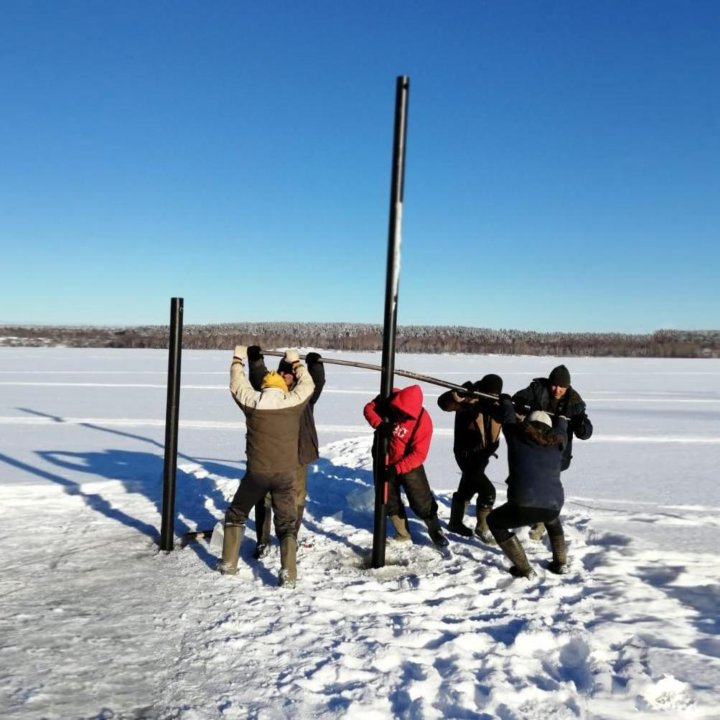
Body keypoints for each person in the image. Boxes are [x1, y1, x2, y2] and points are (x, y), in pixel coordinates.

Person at [218, 346, 314, 588]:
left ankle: (229, 564)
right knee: (287, 525)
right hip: (285, 476)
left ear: (263, 387)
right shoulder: (292, 404)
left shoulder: (254, 403)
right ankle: (288, 574)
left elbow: (237, 385)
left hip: (256, 476)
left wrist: (238, 359)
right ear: (282, 389)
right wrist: (296, 363)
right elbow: (308, 386)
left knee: (236, 515)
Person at [246, 345, 326, 558]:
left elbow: (317, 382)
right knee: (264, 498)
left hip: (298, 456)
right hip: (270, 455)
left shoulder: (305, 394)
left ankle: (290, 539)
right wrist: (255, 362)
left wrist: (315, 365)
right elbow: (257, 378)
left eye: (288, 372)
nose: (284, 375)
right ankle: (262, 540)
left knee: (296, 498)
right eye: (281, 372)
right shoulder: (269, 393)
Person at [487, 397, 569, 578]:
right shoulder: (559, 442)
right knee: (553, 521)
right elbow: (562, 428)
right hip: (554, 503)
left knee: (494, 521)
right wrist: (562, 417)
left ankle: (524, 569)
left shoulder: (517, 436)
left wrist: (507, 402)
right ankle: (560, 563)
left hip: (523, 502)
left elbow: (508, 420)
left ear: (528, 422)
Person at [511, 364, 593, 541]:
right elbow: (517, 399)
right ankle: (522, 513)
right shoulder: (537, 389)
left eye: (562, 387)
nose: (557, 390)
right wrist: (526, 405)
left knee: (547, 490)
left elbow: (585, 432)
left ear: (568, 386)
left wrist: (581, 425)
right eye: (555, 385)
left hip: (556, 454)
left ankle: (541, 523)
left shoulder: (574, 402)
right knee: (527, 483)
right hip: (532, 447)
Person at [363, 385, 448, 548]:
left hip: (408, 463)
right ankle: (402, 533)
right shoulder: (389, 397)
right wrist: (379, 424)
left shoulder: (423, 421)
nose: (400, 416)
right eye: (398, 411)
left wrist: (396, 469)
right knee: (389, 498)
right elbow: (368, 409)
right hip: (383, 458)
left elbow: (419, 454)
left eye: (405, 415)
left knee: (422, 500)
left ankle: (435, 530)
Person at [437, 374, 503, 543]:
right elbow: (444, 404)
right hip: (467, 454)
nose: (494, 396)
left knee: (468, 487)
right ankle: (483, 527)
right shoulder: (468, 399)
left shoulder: (496, 403)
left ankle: (455, 523)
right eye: (491, 393)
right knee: (488, 491)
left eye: (497, 394)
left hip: (483, 455)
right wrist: (457, 394)